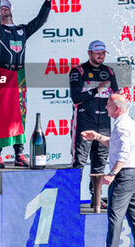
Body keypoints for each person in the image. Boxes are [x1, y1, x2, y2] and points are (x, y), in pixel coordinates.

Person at [0, 0, 55, 168]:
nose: (4, 11)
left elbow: (40, 21)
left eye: (6, 8)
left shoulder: (22, 30)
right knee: (1, 114)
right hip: (3, 74)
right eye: (1, 9)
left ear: (11, 11)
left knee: (20, 113)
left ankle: (19, 153)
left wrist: (48, 0)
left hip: (20, 75)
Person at [81, 94, 135, 247]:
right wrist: (97, 136)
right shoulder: (126, 123)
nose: (105, 107)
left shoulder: (123, 125)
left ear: (116, 108)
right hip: (130, 174)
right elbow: (115, 144)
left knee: (114, 217)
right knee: (132, 215)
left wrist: (112, 173)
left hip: (124, 175)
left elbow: (124, 153)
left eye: (108, 105)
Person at [69, 40, 118, 205]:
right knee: (79, 162)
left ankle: (95, 199)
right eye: (98, 53)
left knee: (100, 162)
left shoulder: (109, 71)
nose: (101, 56)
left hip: (104, 123)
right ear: (89, 53)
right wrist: (96, 90)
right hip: (85, 122)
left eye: (103, 53)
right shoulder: (79, 71)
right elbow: (76, 98)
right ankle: (72, 199)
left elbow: (116, 97)